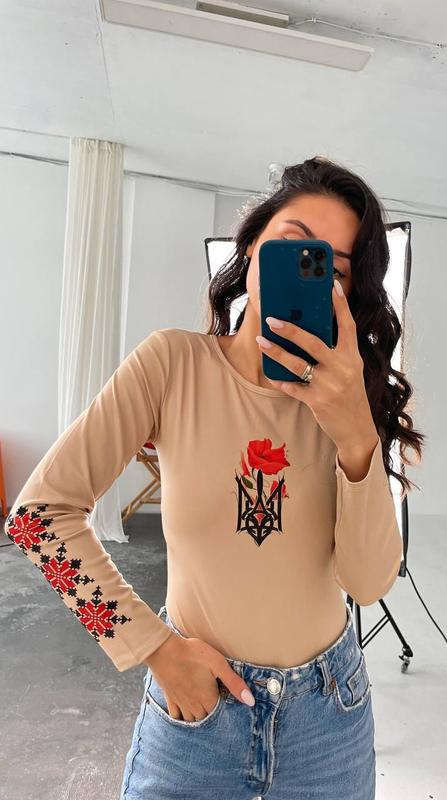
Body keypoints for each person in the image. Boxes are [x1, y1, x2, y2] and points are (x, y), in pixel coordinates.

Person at [4, 155, 425, 799]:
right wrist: (154, 648)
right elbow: (39, 518)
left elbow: (368, 584)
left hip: (327, 715)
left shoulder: (352, 402)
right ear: (251, 246)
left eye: (332, 269)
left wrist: (354, 432)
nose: (307, 269)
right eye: (291, 246)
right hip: (195, 709)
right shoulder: (172, 363)